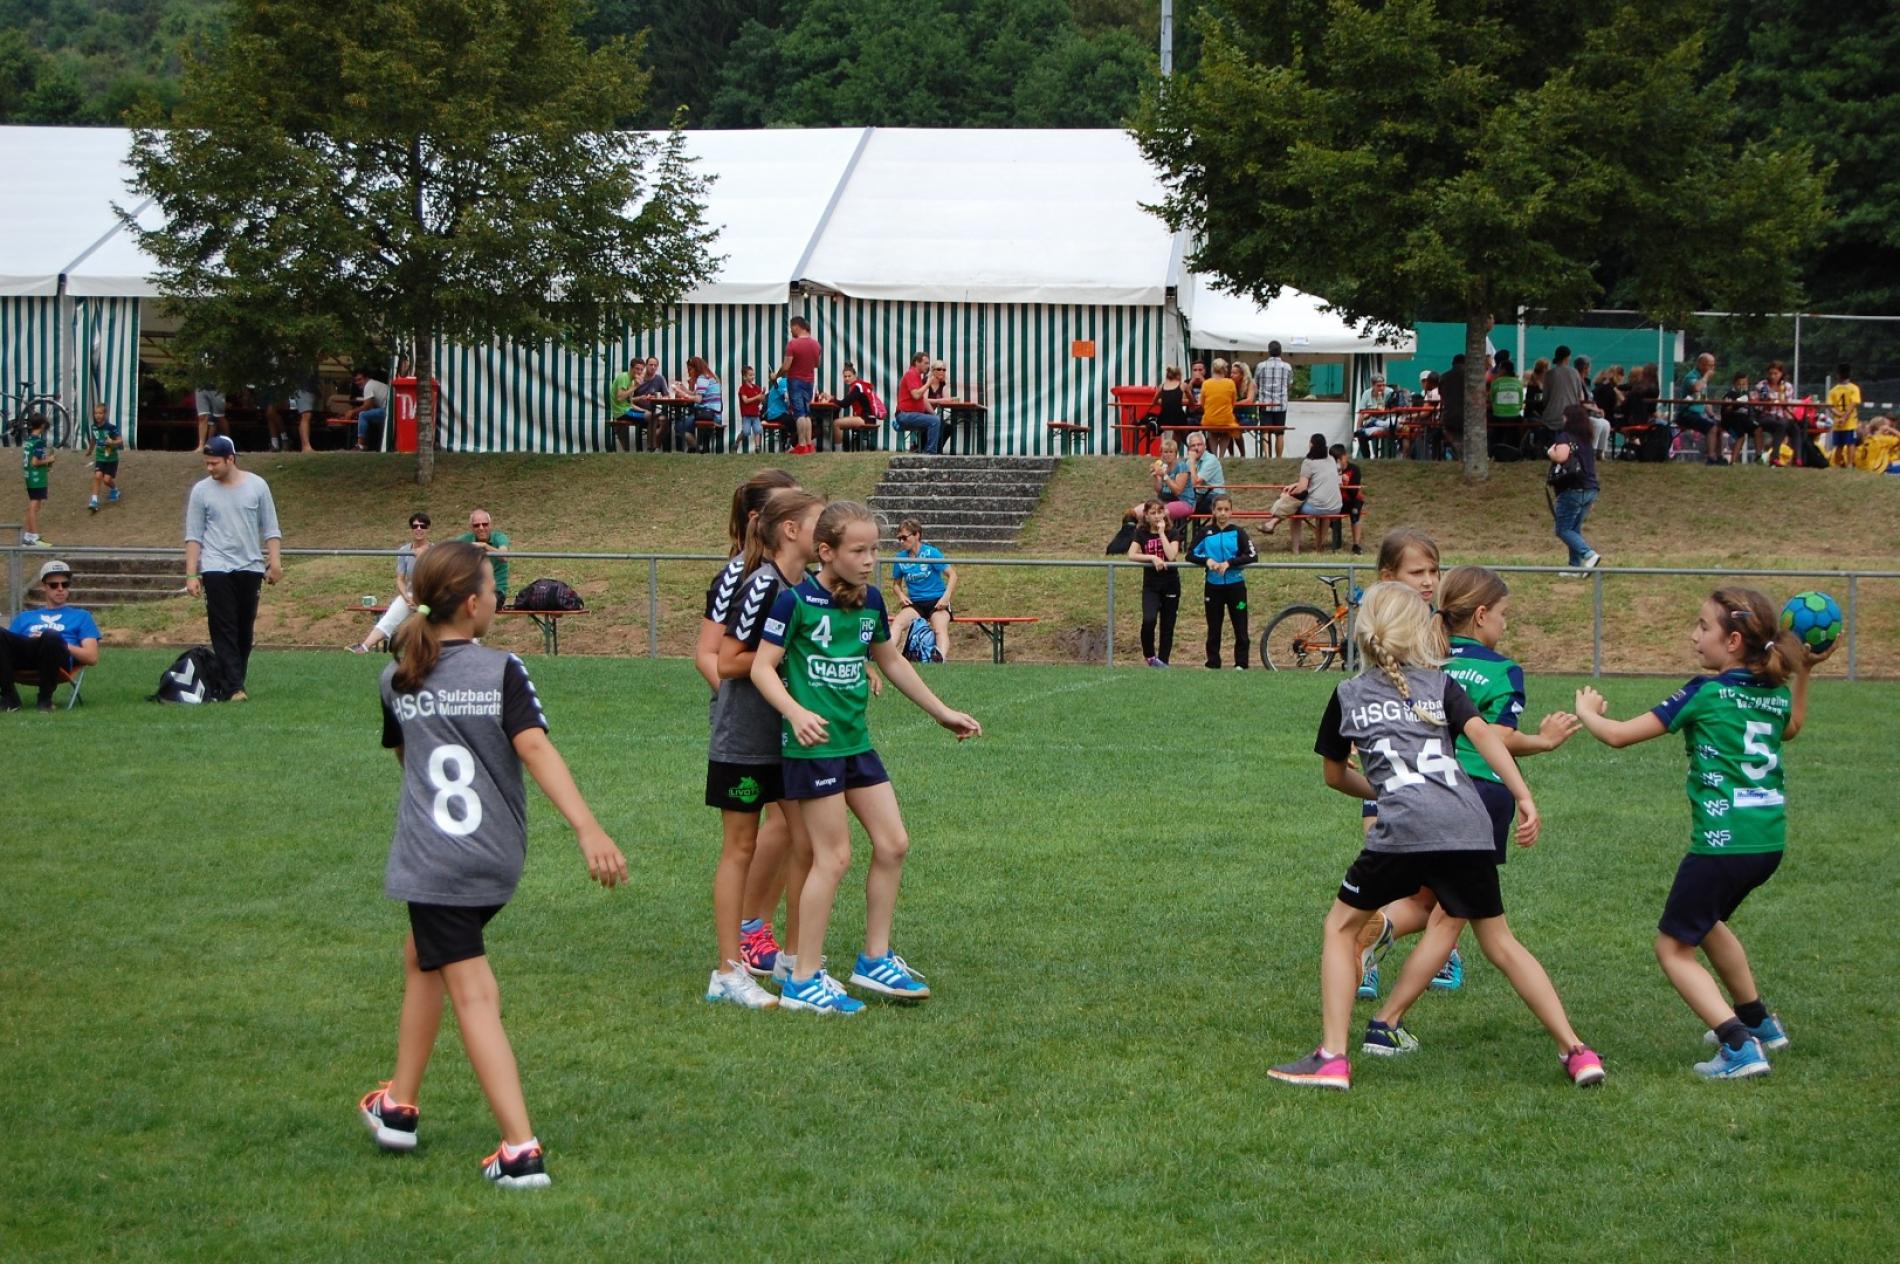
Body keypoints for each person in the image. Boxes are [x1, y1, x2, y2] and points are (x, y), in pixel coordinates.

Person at [356, 541, 627, 1187]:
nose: (498, 599)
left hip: (435, 862)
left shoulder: (396, 677)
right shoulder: (503, 669)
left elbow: (409, 760)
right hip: (493, 858)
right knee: (423, 956)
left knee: (473, 992)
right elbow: (533, 747)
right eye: (492, 589)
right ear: (474, 604)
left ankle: (519, 1149)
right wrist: (586, 827)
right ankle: (398, 1105)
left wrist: (590, 829)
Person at [1268, 581, 1605, 1091]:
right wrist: (1524, 796)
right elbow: (1485, 736)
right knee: (1501, 943)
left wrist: (1387, 790)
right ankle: (1576, 1051)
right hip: (1466, 824)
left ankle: (1332, 1057)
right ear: (1421, 632)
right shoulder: (1439, 685)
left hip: (1403, 829)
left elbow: (1334, 777)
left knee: (1340, 928)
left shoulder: (1347, 695)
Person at [1573, 587, 1822, 1078]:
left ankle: (1739, 1047)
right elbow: (1792, 726)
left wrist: (1588, 713)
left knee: (1672, 947)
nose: (1694, 636)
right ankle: (1758, 1022)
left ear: (1733, 641)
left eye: (1703, 626)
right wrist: (1806, 674)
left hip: (1722, 845)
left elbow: (1619, 736)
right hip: (1766, 842)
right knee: (1705, 924)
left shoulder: (1705, 693)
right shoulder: (1773, 693)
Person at [751, 500, 982, 1013]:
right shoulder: (794, 603)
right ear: (825, 551)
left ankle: (874, 959)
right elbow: (762, 668)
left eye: (874, 549)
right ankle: (802, 979)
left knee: (894, 843)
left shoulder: (872, 601)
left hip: (856, 744)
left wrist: (941, 712)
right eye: (858, 550)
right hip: (815, 750)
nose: (870, 560)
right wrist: (795, 712)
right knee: (833, 858)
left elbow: (891, 661)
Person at [1357, 567, 1584, 1055]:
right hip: (1478, 798)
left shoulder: (1421, 662)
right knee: (1453, 917)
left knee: (1429, 902)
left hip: (1423, 791)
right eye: (1503, 614)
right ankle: (1386, 1020)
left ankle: (1378, 926)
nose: (1505, 623)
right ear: (1481, 615)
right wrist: (1544, 741)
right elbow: (1494, 737)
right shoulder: (1502, 670)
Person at [706, 487, 828, 1008]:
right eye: (819, 522)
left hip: (788, 740)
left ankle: (793, 960)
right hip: (746, 740)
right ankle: (727, 971)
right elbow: (727, 660)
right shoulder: (762, 583)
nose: (827, 531)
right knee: (740, 847)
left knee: (808, 843)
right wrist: (779, 658)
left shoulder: (807, 584)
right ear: (791, 531)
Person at [695, 470, 802, 979]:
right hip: (746, 725)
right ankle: (749, 928)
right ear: (763, 519)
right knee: (766, 830)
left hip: (785, 719)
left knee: (796, 828)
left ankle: (761, 927)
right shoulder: (738, 576)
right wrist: (744, 703)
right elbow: (710, 655)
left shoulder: (793, 576)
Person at [1352, 528, 1445, 1001]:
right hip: (1393, 777)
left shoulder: (1440, 631)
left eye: (1434, 571)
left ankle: (1440, 951)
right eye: (1417, 572)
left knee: (1434, 886)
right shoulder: (1383, 631)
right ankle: (1366, 956)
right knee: (1395, 878)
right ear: (1388, 577)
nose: (1428, 581)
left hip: (1429, 778)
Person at [184, 436, 283, 702]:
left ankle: (233, 682)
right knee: (223, 626)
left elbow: (271, 527)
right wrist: (192, 573)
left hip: (249, 566)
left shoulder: (257, 486)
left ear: (231, 459)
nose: (209, 468)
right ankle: (234, 688)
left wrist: (275, 562)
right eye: (207, 463)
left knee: (244, 629)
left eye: (214, 463)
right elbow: (193, 535)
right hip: (215, 566)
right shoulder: (201, 491)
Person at [2, 560, 101, 712]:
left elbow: (91, 657)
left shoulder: (82, 616)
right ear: (44, 587)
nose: (60, 589)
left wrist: (61, 643)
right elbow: (6, 651)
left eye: (65, 585)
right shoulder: (24, 617)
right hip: (25, 657)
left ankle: (45, 700)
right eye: (54, 585)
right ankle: (10, 698)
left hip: (57, 657)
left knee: (50, 636)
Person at [1188, 493, 1258, 669]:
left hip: (1236, 587)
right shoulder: (1205, 532)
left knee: (1240, 626)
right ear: (1213, 511)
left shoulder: (1238, 532)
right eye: (1219, 509)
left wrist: (1229, 563)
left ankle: (1241, 663)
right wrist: (1208, 561)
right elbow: (1190, 554)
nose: (1223, 513)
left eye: (1226, 509)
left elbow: (1252, 555)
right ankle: (1213, 662)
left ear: (1231, 511)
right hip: (1213, 587)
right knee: (1214, 627)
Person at [351, 513, 433, 654]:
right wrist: (407, 598)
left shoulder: (436, 550)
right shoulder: (404, 551)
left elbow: (434, 577)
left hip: (430, 596)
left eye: (423, 526)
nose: (419, 529)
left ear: (428, 529)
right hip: (410, 595)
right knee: (390, 617)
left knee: (439, 623)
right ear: (411, 529)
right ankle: (364, 647)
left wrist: (421, 559)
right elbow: (400, 579)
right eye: (415, 526)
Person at [1259, 432, 1344, 548]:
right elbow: (1318, 480)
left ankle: (1294, 548)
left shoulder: (1308, 463)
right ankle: (1319, 548)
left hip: (1318, 507)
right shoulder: (1331, 460)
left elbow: (1302, 489)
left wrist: (1289, 494)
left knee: (1293, 508)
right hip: (1336, 506)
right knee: (1324, 514)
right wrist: (1295, 485)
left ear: (1311, 445)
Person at [889, 519, 957, 662]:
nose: (901, 542)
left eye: (904, 537)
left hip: (937, 601)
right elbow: (896, 584)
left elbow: (953, 575)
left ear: (917, 535)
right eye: (899, 538)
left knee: (939, 628)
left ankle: (940, 659)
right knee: (898, 623)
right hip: (916, 603)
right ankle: (885, 655)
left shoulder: (931, 553)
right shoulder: (900, 558)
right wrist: (901, 595)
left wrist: (946, 598)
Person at [1548, 403, 1602, 574]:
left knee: (1563, 529)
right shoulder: (1586, 440)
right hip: (1590, 488)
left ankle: (1589, 554)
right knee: (1574, 529)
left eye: (1564, 417)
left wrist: (1550, 452)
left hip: (1572, 488)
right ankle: (1574, 566)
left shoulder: (1565, 437)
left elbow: (1561, 456)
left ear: (1568, 419)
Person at [1128, 499, 1181, 667]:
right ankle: (1150, 656)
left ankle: (1163, 662)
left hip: (1171, 583)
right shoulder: (1141, 533)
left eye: (1160, 512)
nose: (1157, 516)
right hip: (1151, 585)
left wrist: (1162, 533)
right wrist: (1152, 557)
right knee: (1149, 620)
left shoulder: (1173, 532)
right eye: (1153, 513)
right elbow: (1131, 554)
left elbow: (1171, 555)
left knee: (1167, 625)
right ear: (1146, 515)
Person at [778, 316, 822, 454]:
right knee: (807, 413)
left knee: (799, 413)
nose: (791, 330)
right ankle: (809, 444)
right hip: (810, 381)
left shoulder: (793, 344)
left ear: (796, 326)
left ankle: (801, 444)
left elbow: (786, 367)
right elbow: (817, 364)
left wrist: (776, 375)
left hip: (795, 380)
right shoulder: (816, 344)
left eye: (791, 327)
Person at [458, 510, 512, 608]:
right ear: (471, 528)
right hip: (472, 590)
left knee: (474, 605)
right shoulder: (464, 539)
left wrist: (485, 546)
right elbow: (446, 553)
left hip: (496, 591)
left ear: (490, 525)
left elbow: (504, 556)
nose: (481, 528)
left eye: (485, 524)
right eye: (476, 525)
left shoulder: (500, 538)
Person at [893, 351, 940, 454]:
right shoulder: (911, 374)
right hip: (905, 415)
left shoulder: (917, 376)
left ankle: (921, 449)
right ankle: (930, 453)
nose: (928, 366)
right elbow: (916, 395)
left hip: (911, 414)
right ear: (916, 362)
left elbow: (923, 399)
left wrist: (934, 414)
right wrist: (928, 384)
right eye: (925, 363)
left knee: (936, 420)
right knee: (935, 421)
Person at [1678, 351, 1720, 463]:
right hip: (1687, 413)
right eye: (1709, 365)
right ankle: (1711, 458)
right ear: (1700, 365)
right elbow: (1696, 388)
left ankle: (1719, 456)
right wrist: (1706, 376)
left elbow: (1703, 398)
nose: (1712, 369)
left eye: (1713, 366)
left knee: (1718, 425)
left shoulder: (1702, 379)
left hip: (1699, 414)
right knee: (1711, 427)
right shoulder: (1691, 377)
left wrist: (1712, 415)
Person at [19, 412, 53, 548]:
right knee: (34, 505)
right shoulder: (38, 442)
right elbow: (35, 462)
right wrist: (49, 460)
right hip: (36, 478)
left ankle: (28, 536)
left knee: (35, 505)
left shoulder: (28, 441)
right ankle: (34, 537)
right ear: (43, 425)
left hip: (29, 477)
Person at [1751, 360, 1795, 466]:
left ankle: (1797, 459)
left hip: (1782, 416)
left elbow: (1788, 404)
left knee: (1793, 427)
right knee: (1780, 425)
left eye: (1776, 373)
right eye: (1770, 373)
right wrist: (1769, 401)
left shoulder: (1787, 386)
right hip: (1765, 416)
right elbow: (1760, 402)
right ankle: (1775, 457)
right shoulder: (1762, 385)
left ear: (1781, 374)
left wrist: (1778, 401)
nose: (1773, 376)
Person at [1253, 340, 1292, 457]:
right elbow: (1289, 384)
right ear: (1281, 351)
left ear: (1269, 351)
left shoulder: (1261, 366)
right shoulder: (1287, 367)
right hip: (1281, 404)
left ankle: (1267, 456)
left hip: (1265, 403)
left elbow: (1256, 383)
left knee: (1265, 430)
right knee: (1280, 433)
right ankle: (1279, 457)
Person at [1353, 373, 1407, 458]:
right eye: (1379, 386)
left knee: (1391, 427)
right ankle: (1366, 459)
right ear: (1373, 386)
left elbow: (1396, 409)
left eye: (1383, 385)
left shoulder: (1390, 392)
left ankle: (1390, 456)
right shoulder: (1366, 394)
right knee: (1361, 436)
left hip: (1387, 420)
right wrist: (1358, 428)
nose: (1381, 388)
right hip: (1372, 421)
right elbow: (1362, 413)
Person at [87, 402, 124, 514]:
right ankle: (94, 500)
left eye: (100, 413)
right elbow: (94, 439)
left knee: (106, 480)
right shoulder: (94, 427)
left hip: (111, 458)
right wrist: (90, 450)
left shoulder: (111, 428)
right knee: (97, 476)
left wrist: (112, 442)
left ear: (105, 414)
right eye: (96, 413)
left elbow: (120, 440)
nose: (97, 415)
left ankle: (115, 490)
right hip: (100, 457)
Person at [1199, 357, 1240, 457]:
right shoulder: (1230, 383)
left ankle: (1214, 454)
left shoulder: (1206, 383)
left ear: (1212, 369)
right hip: (1226, 420)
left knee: (1212, 432)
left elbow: (1202, 403)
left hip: (1210, 420)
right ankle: (1221, 455)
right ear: (1225, 370)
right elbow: (1234, 402)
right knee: (1227, 431)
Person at [682, 356, 722, 453]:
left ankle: (697, 448)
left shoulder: (702, 378)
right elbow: (695, 394)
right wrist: (683, 389)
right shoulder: (712, 377)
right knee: (688, 423)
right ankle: (697, 447)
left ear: (696, 368)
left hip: (707, 414)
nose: (689, 372)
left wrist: (683, 394)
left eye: (690, 369)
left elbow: (698, 399)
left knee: (680, 426)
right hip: (715, 414)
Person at [1331, 443, 1365, 554]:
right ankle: (1336, 544)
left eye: (1339, 459)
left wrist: (1346, 484)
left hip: (1353, 500)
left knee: (1355, 512)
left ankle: (1356, 544)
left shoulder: (1354, 469)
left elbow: (1354, 492)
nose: (1338, 463)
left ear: (1345, 457)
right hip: (1337, 500)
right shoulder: (1330, 471)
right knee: (1333, 513)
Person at [608, 356, 649, 451]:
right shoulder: (624, 377)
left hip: (627, 410)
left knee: (651, 415)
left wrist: (644, 410)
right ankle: (650, 448)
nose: (639, 372)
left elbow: (629, 404)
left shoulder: (631, 381)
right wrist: (635, 387)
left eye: (641, 370)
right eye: (637, 369)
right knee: (650, 417)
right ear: (631, 368)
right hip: (622, 412)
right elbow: (620, 397)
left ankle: (648, 447)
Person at [1151, 434, 1195, 521]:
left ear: (1176, 454)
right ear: (1161, 454)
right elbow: (1158, 490)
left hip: (1184, 502)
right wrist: (1157, 477)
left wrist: (1164, 476)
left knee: (1161, 512)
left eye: (1171, 452)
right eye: (1165, 452)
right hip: (1164, 500)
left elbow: (1177, 491)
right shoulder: (1162, 466)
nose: (1168, 455)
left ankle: (1163, 530)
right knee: (1144, 512)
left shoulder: (1182, 466)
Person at [1718, 371, 1757, 466]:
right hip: (1730, 422)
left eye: (1744, 384)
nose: (1742, 387)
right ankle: (1731, 460)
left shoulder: (1748, 396)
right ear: (1734, 384)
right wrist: (1736, 404)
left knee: (1757, 429)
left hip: (1743, 421)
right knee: (1740, 436)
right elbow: (1725, 411)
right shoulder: (1730, 395)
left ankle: (1758, 457)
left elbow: (1750, 410)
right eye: (1739, 384)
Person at [1826, 362, 1860, 468]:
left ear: (1838, 374)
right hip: (1850, 422)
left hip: (1838, 422)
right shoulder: (1854, 388)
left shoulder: (1833, 390)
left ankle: (1837, 464)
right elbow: (1853, 404)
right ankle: (1849, 464)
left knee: (1838, 445)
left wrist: (1840, 416)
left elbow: (1830, 406)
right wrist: (1845, 417)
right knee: (1850, 444)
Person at [347, 370, 391, 452]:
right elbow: (371, 406)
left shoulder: (368, 385)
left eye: (360, 379)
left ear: (366, 378)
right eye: (356, 380)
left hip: (388, 411)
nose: (358, 382)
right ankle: (367, 444)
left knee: (363, 415)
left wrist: (352, 412)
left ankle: (360, 445)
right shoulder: (374, 383)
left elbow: (367, 406)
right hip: (389, 409)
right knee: (365, 416)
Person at [737, 366, 766, 455]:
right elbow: (745, 400)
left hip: (755, 414)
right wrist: (757, 397)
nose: (752, 377)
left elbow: (761, 400)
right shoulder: (743, 388)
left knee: (758, 430)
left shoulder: (757, 388)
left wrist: (762, 396)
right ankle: (737, 442)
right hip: (746, 414)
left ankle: (757, 447)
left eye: (753, 375)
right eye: (750, 375)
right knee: (746, 432)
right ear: (744, 377)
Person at [194, 382, 228, 452]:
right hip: (201, 387)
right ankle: (201, 445)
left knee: (219, 417)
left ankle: (228, 442)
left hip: (217, 388)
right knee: (202, 416)